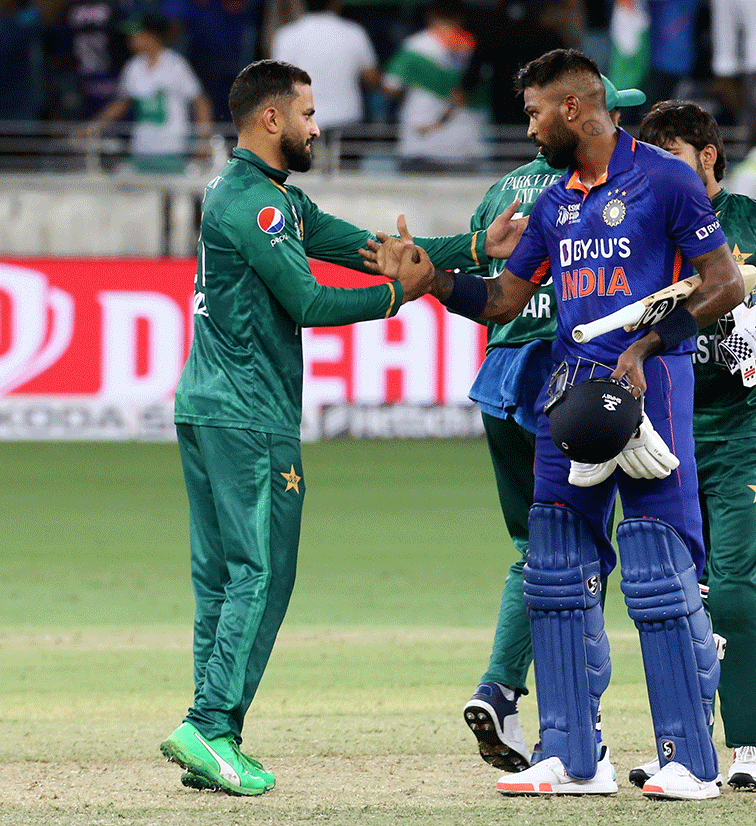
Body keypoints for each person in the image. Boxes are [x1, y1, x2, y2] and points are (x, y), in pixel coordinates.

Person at [364, 48, 746, 800]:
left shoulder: (665, 179)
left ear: (575, 107)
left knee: (656, 569)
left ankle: (691, 763)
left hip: (650, 392)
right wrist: (433, 283)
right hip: (569, 396)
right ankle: (573, 757)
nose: (530, 129)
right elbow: (506, 298)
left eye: (536, 112)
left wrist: (645, 345)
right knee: (556, 568)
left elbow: (726, 283)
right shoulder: (554, 200)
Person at [159, 58, 527, 796]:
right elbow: (311, 303)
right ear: (271, 120)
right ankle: (211, 726)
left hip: (206, 406)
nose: (317, 126)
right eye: (306, 113)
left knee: (223, 581)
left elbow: (365, 247)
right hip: (249, 413)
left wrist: (470, 249)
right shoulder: (258, 207)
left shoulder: (261, 196)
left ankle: (210, 736)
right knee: (263, 573)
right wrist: (401, 294)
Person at [633, 98, 756, 791]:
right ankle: (682, 747)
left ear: (708, 156)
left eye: (670, 158)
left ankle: (752, 747)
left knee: (739, 590)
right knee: (671, 593)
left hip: (742, 432)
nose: (656, 172)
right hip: (662, 432)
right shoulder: (643, 224)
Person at [459, 74, 647, 775]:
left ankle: (513, 696)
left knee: (534, 548)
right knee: (579, 556)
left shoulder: (504, 189)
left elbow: (490, 290)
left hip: (500, 379)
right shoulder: (612, 190)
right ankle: (555, 718)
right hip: (570, 382)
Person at [81, 12, 213, 173]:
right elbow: (122, 103)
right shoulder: (133, 67)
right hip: (142, 149)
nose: (130, 40)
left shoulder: (175, 65)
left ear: (151, 36)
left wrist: (204, 140)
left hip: (172, 149)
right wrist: (93, 127)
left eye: (136, 35)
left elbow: (200, 101)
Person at [270, 0, 383, 171]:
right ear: (336, 3)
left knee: (306, 189)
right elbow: (373, 79)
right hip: (347, 122)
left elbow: (277, 83)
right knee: (348, 187)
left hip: (302, 124)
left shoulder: (287, 35)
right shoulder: (353, 33)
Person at [383, 0, 487, 172]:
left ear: (429, 16)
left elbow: (391, 86)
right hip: (465, 145)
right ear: (460, 18)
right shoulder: (475, 45)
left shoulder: (415, 45)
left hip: (420, 143)